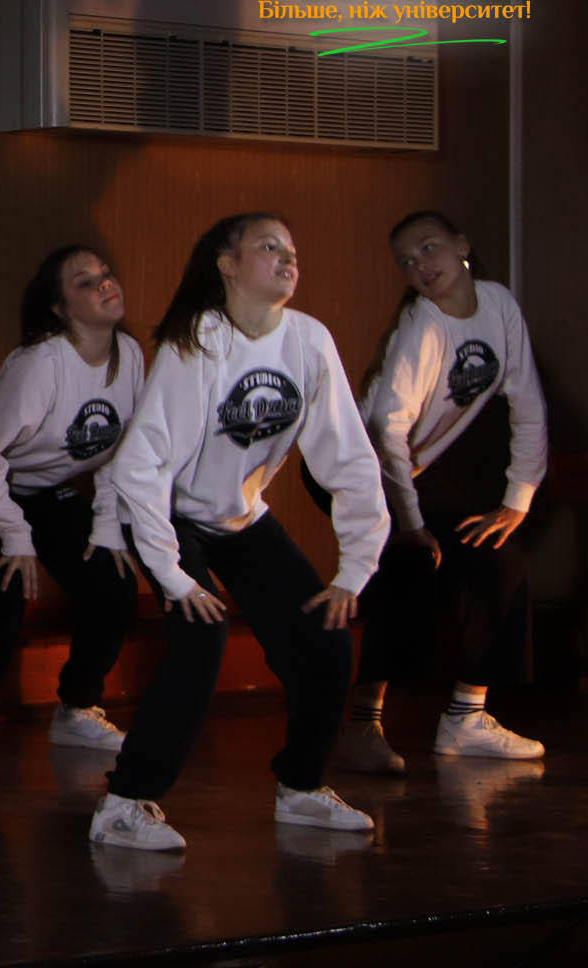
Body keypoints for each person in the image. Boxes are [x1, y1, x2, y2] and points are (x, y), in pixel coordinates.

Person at [91, 213, 388, 851]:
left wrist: (354, 567)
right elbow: (143, 464)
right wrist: (172, 575)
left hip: (241, 517)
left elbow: (349, 458)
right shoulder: (199, 340)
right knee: (202, 637)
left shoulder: (308, 339)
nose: (288, 258)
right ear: (227, 265)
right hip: (167, 510)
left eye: (292, 249)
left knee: (327, 642)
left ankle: (302, 788)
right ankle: (123, 804)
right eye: (269, 246)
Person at [334, 211, 547, 772]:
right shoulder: (423, 328)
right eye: (406, 262)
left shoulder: (498, 305)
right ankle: (362, 728)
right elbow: (385, 431)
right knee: (406, 566)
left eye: (428, 249)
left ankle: (465, 719)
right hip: (359, 465)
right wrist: (409, 525)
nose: (420, 266)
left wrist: (516, 500)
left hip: (414, 465)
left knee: (500, 558)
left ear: (461, 244)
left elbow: (527, 402)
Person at [0, 245, 144, 762]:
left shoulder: (130, 355)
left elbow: (123, 452)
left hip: (44, 487)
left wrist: (107, 522)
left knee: (113, 583)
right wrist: (14, 534)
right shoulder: (41, 365)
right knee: (6, 591)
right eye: (85, 281)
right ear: (59, 309)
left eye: (106, 274)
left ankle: (77, 710)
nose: (105, 283)